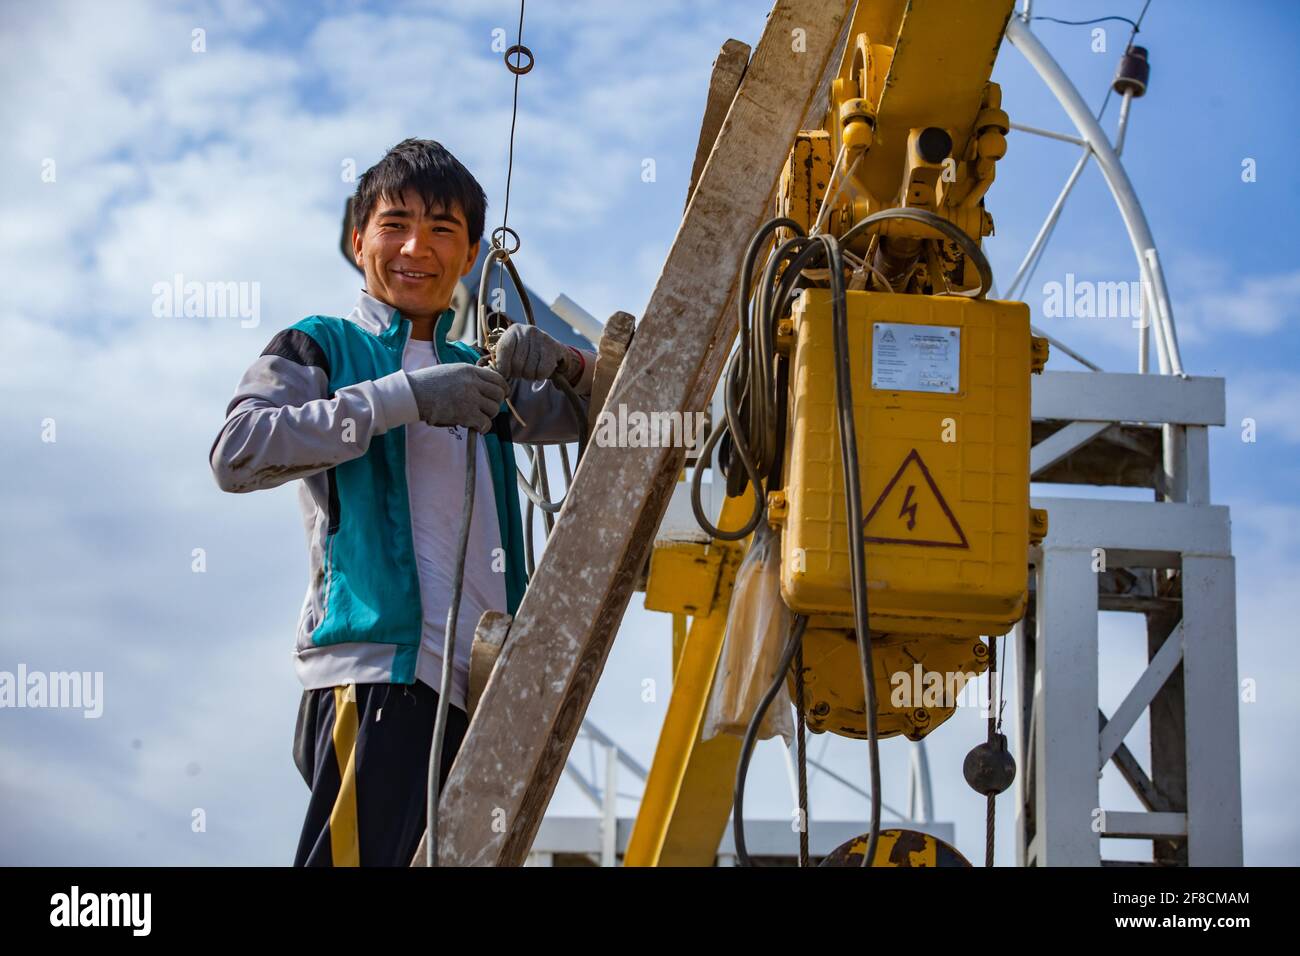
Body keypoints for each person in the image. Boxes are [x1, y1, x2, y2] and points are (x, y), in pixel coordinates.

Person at [208, 138, 595, 866]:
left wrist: (567, 362)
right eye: (396, 224)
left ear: (473, 251)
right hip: (378, 676)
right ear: (360, 239)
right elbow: (239, 452)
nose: (417, 246)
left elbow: (619, 412)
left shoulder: (480, 372)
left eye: (443, 229)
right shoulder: (319, 344)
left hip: (478, 692)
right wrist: (405, 397)